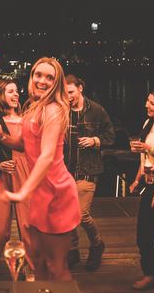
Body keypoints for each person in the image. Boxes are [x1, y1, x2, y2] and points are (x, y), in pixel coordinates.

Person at [0, 57, 80, 280]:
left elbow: (47, 156)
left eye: (49, 77)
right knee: (37, 261)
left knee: (56, 267)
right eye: (38, 75)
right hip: (40, 191)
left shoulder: (55, 110)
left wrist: (23, 191)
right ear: (31, 77)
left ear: (56, 82)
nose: (42, 81)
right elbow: (23, 144)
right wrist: (1, 137)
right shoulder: (33, 107)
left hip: (56, 191)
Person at [0, 79, 35, 281]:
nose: (16, 95)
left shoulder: (27, 118)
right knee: (0, 223)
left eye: (17, 91)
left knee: (27, 223)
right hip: (1, 172)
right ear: (0, 95)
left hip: (25, 171)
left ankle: (29, 266)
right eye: (10, 91)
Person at [64, 75, 115, 271]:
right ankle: (73, 250)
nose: (67, 96)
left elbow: (111, 136)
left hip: (88, 170)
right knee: (67, 214)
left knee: (81, 214)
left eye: (71, 92)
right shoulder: (62, 109)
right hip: (65, 170)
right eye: (64, 93)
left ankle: (97, 244)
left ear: (80, 88)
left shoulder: (96, 110)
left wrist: (95, 140)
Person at [128, 88, 154, 290]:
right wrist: (137, 180)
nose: (147, 105)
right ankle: (149, 272)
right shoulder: (148, 124)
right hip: (148, 182)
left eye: (152, 103)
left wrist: (148, 148)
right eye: (147, 102)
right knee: (143, 231)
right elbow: (144, 160)